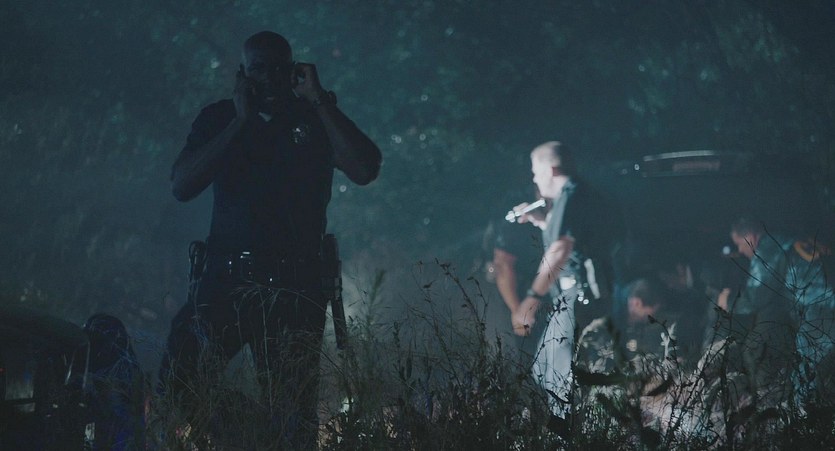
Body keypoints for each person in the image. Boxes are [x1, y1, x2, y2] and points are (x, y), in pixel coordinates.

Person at [158, 31, 381, 448]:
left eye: (279, 68)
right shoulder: (219, 117)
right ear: (242, 74)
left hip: (293, 288)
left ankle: (270, 437)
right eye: (259, 68)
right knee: (179, 380)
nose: (269, 77)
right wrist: (240, 122)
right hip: (225, 283)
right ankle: (254, 436)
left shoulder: (314, 117)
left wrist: (319, 100)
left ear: (294, 71)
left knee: (292, 411)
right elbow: (182, 185)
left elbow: (364, 169)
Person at [511, 141, 620, 428]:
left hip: (577, 296)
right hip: (573, 297)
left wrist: (531, 299)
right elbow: (571, 238)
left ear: (551, 169)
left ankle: (567, 436)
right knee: (545, 368)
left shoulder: (572, 194)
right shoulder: (573, 197)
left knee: (559, 375)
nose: (534, 179)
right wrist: (541, 222)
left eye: (536, 172)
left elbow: (561, 249)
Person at [719, 216, 834, 406]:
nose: (740, 250)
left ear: (751, 237)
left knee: (806, 381)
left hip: (821, 311)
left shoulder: (768, 248)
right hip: (824, 307)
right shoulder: (788, 241)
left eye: (739, 244)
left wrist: (728, 301)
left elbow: (757, 296)